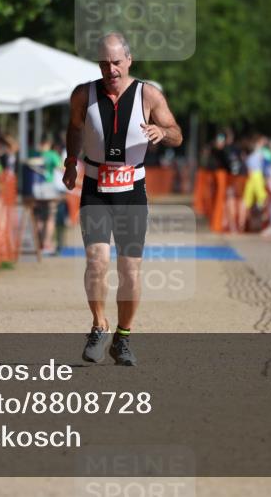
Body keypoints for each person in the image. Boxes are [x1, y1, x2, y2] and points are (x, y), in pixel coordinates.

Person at [62, 32, 183, 366]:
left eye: (116, 62)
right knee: (96, 262)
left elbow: (176, 132)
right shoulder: (83, 94)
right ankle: (98, 325)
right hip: (96, 188)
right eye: (104, 63)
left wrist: (162, 133)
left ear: (129, 60)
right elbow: (74, 128)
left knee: (130, 270)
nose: (110, 69)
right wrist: (72, 161)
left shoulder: (149, 95)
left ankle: (123, 338)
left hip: (132, 189)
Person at [27, 134, 64, 255]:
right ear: (48, 144)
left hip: (36, 189)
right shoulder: (52, 155)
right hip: (49, 188)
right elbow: (61, 168)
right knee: (50, 217)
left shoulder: (34, 154)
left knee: (38, 217)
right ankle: (47, 243)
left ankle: (39, 243)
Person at [242, 135, 268, 227]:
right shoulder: (259, 154)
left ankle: (244, 223)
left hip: (253, 178)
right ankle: (250, 223)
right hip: (256, 178)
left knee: (249, 203)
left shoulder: (251, 157)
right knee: (259, 202)